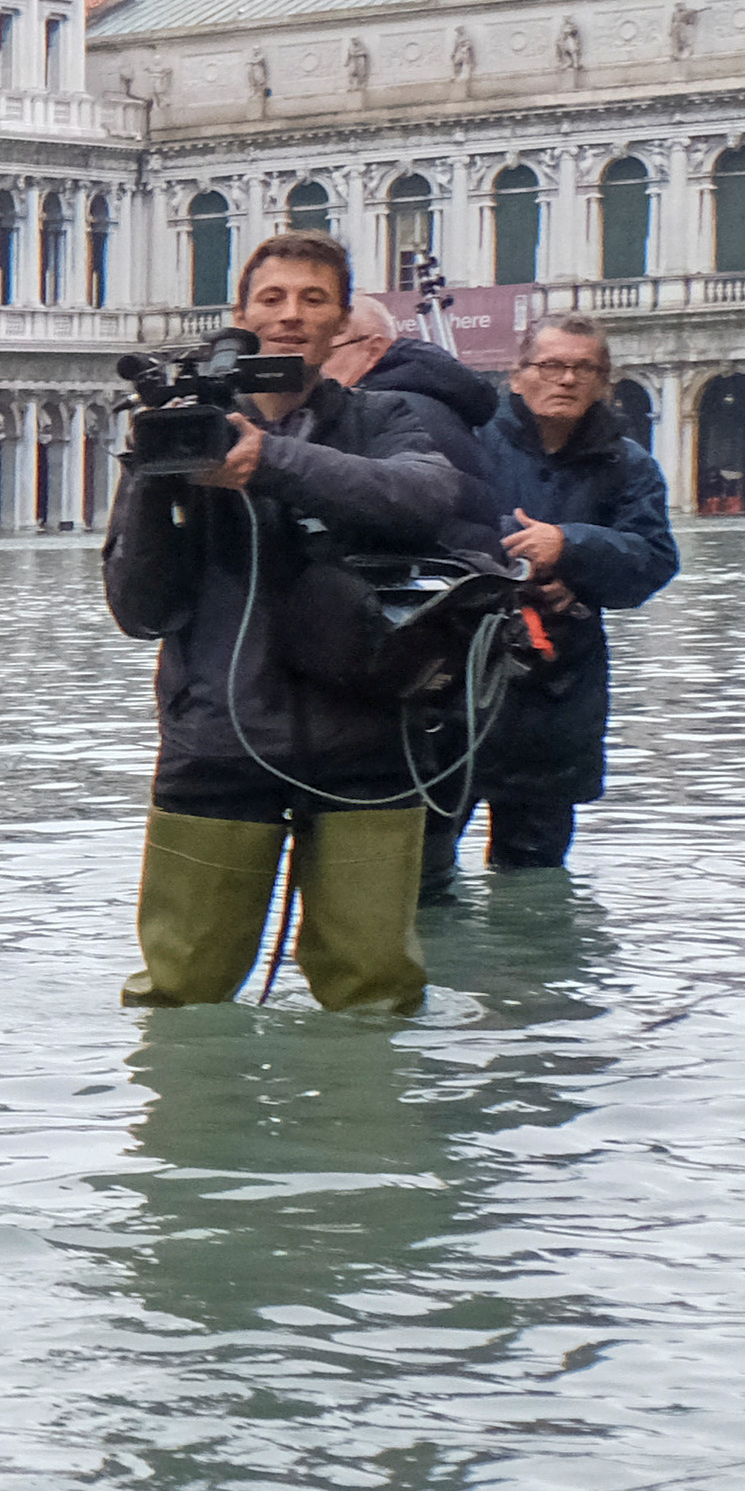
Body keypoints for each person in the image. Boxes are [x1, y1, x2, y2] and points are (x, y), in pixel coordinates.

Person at [103, 229, 493, 1011]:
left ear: (341, 321)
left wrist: (268, 463)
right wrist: (157, 476)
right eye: (272, 299)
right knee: (180, 991)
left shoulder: (384, 418)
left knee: (375, 991)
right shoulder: (187, 426)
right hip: (214, 744)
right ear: (241, 316)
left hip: (369, 744)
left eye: (314, 300)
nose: (291, 316)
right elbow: (139, 608)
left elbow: (425, 499)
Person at [450, 313, 677, 879]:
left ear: (604, 383)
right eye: (552, 365)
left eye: (585, 368)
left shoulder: (630, 465)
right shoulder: (465, 442)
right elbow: (428, 522)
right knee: (422, 873)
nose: (568, 379)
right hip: (454, 688)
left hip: (557, 694)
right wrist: (516, 557)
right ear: (518, 375)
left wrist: (568, 547)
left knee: (534, 877)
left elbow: (653, 563)